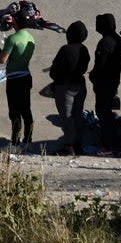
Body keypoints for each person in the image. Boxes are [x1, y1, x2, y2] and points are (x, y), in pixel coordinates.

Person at [48, 20, 89, 156]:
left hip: (65, 86)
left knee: (67, 117)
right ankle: (78, 145)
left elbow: (54, 70)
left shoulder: (66, 49)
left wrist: (57, 79)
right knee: (78, 116)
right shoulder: (84, 49)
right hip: (80, 86)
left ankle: (68, 146)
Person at [89, 12, 121, 154]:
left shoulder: (105, 42)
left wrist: (93, 76)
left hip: (104, 83)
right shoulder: (118, 41)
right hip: (112, 82)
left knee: (103, 113)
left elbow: (101, 64)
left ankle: (107, 145)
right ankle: (111, 144)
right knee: (107, 113)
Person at [0, 13, 36, 150]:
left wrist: (0, 53)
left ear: (16, 22)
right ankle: (28, 139)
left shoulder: (12, 39)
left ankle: (14, 143)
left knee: (14, 111)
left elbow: (2, 60)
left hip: (14, 79)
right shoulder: (31, 38)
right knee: (26, 108)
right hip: (26, 76)